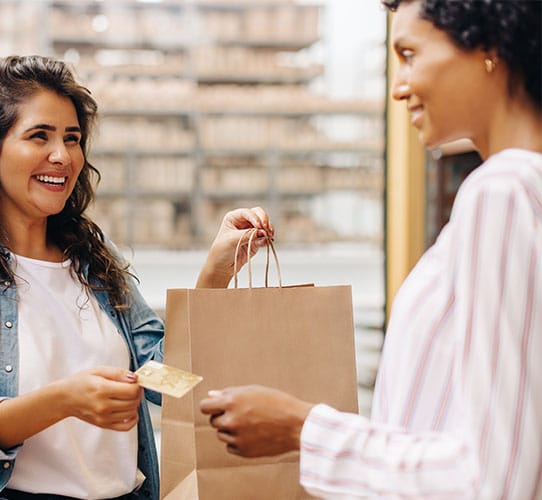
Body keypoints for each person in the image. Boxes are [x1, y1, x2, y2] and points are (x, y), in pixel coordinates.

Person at [199, 0, 542, 498]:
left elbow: (493, 481)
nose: (399, 87)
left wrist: (302, 428)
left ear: (487, 47)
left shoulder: (503, 191)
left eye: (409, 54)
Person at [0, 55, 273, 500]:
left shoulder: (94, 259)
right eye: (39, 136)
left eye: (72, 138)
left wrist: (216, 273)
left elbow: (166, 381)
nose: (62, 155)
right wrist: (65, 400)